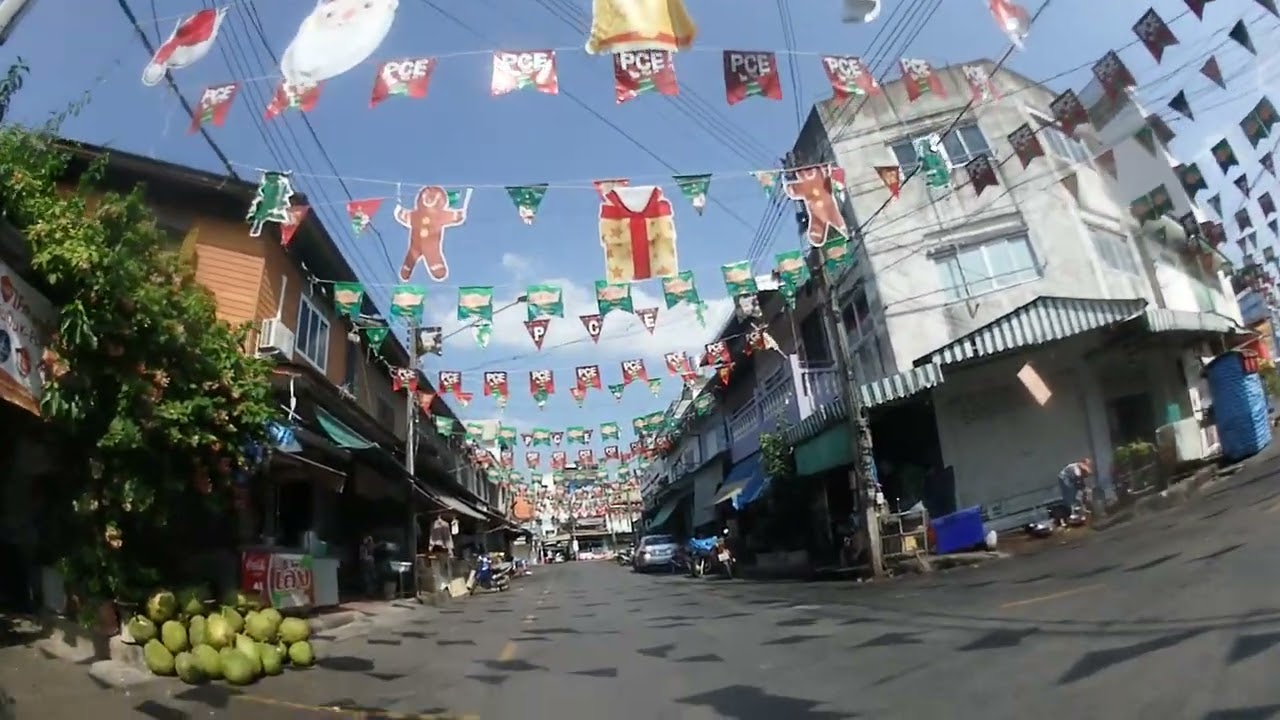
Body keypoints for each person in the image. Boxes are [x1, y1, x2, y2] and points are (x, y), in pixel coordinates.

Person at [1056, 458, 1093, 526]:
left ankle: (1078, 510)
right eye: (1085, 475)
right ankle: (1072, 514)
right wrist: (1082, 489)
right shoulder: (1077, 470)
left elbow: (1081, 482)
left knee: (1078, 492)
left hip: (1069, 478)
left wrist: (1084, 489)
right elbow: (1078, 482)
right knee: (1071, 494)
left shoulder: (1081, 468)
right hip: (1064, 478)